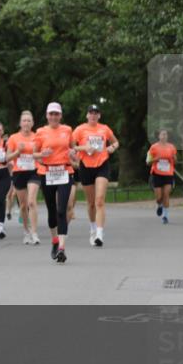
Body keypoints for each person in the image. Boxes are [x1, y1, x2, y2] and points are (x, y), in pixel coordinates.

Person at [73, 104, 120, 247]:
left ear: (99, 116)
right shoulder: (80, 129)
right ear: (87, 115)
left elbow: (116, 142)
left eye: (96, 113)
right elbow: (70, 146)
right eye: (91, 113)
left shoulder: (104, 128)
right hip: (86, 166)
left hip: (102, 165)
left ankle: (99, 234)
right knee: (91, 203)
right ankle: (93, 228)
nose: (93, 115)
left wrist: (112, 147)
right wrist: (84, 148)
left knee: (99, 200)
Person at [34, 102, 74, 263]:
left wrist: (73, 153)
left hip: (65, 171)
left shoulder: (67, 130)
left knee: (61, 210)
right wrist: (42, 153)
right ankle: (55, 241)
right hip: (47, 172)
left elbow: (73, 149)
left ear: (60, 115)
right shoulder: (40, 132)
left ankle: (62, 248)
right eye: (51, 114)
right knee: (52, 210)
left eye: (56, 114)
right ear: (47, 115)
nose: (54, 117)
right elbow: (34, 154)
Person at [7, 110, 41, 245]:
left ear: (32, 123)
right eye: (24, 120)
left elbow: (41, 154)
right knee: (23, 205)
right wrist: (18, 152)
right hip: (19, 172)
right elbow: (7, 157)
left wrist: (37, 153)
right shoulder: (13, 138)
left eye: (29, 120)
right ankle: (26, 231)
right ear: (20, 123)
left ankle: (34, 232)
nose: (26, 123)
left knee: (31, 201)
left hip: (34, 171)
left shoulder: (37, 137)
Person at [147, 129, 177, 224]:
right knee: (159, 197)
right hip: (157, 174)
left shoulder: (171, 147)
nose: (164, 136)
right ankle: (159, 205)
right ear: (159, 136)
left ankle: (165, 216)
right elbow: (148, 162)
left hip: (168, 174)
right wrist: (156, 159)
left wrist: (174, 158)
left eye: (166, 134)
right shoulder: (153, 147)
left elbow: (175, 161)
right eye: (162, 134)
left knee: (166, 195)